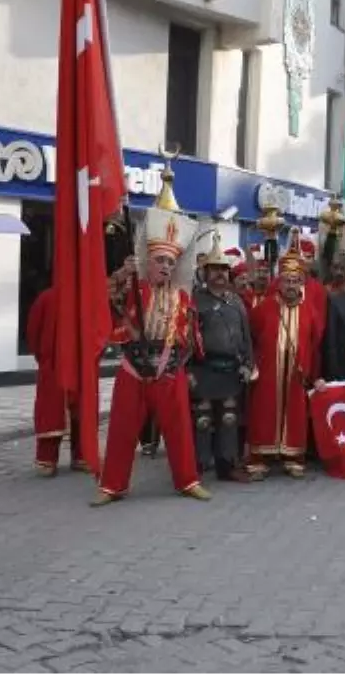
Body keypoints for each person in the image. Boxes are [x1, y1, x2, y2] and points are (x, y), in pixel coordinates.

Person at [92, 189, 210, 506]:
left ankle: (187, 480)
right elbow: (106, 295)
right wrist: (123, 272)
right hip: (133, 366)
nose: (166, 267)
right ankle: (112, 485)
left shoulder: (182, 297)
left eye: (171, 263)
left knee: (180, 429)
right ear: (149, 261)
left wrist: (175, 364)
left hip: (168, 369)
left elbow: (191, 334)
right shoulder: (135, 286)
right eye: (160, 261)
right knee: (122, 428)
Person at [246, 242, 323, 480]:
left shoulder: (310, 309)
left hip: (297, 373)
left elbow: (315, 342)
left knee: (295, 413)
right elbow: (252, 336)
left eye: (295, 281)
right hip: (269, 371)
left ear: (302, 283)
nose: (291, 285)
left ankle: (293, 457)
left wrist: (311, 370)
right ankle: (261, 458)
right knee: (264, 411)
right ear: (279, 282)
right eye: (286, 281)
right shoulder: (264, 308)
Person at [189, 237, 254, 483]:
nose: (219, 274)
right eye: (215, 269)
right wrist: (188, 371)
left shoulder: (236, 301)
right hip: (203, 369)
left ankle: (227, 466)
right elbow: (186, 338)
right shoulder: (195, 301)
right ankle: (196, 467)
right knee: (203, 420)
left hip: (230, 369)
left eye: (223, 270)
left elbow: (246, 336)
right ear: (206, 272)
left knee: (229, 419)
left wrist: (248, 364)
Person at [28, 285, 84, 475]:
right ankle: (46, 458)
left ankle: (81, 456)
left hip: (81, 364)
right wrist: (44, 357)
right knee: (51, 411)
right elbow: (34, 331)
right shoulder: (47, 297)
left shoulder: (86, 298)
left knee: (82, 411)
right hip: (53, 364)